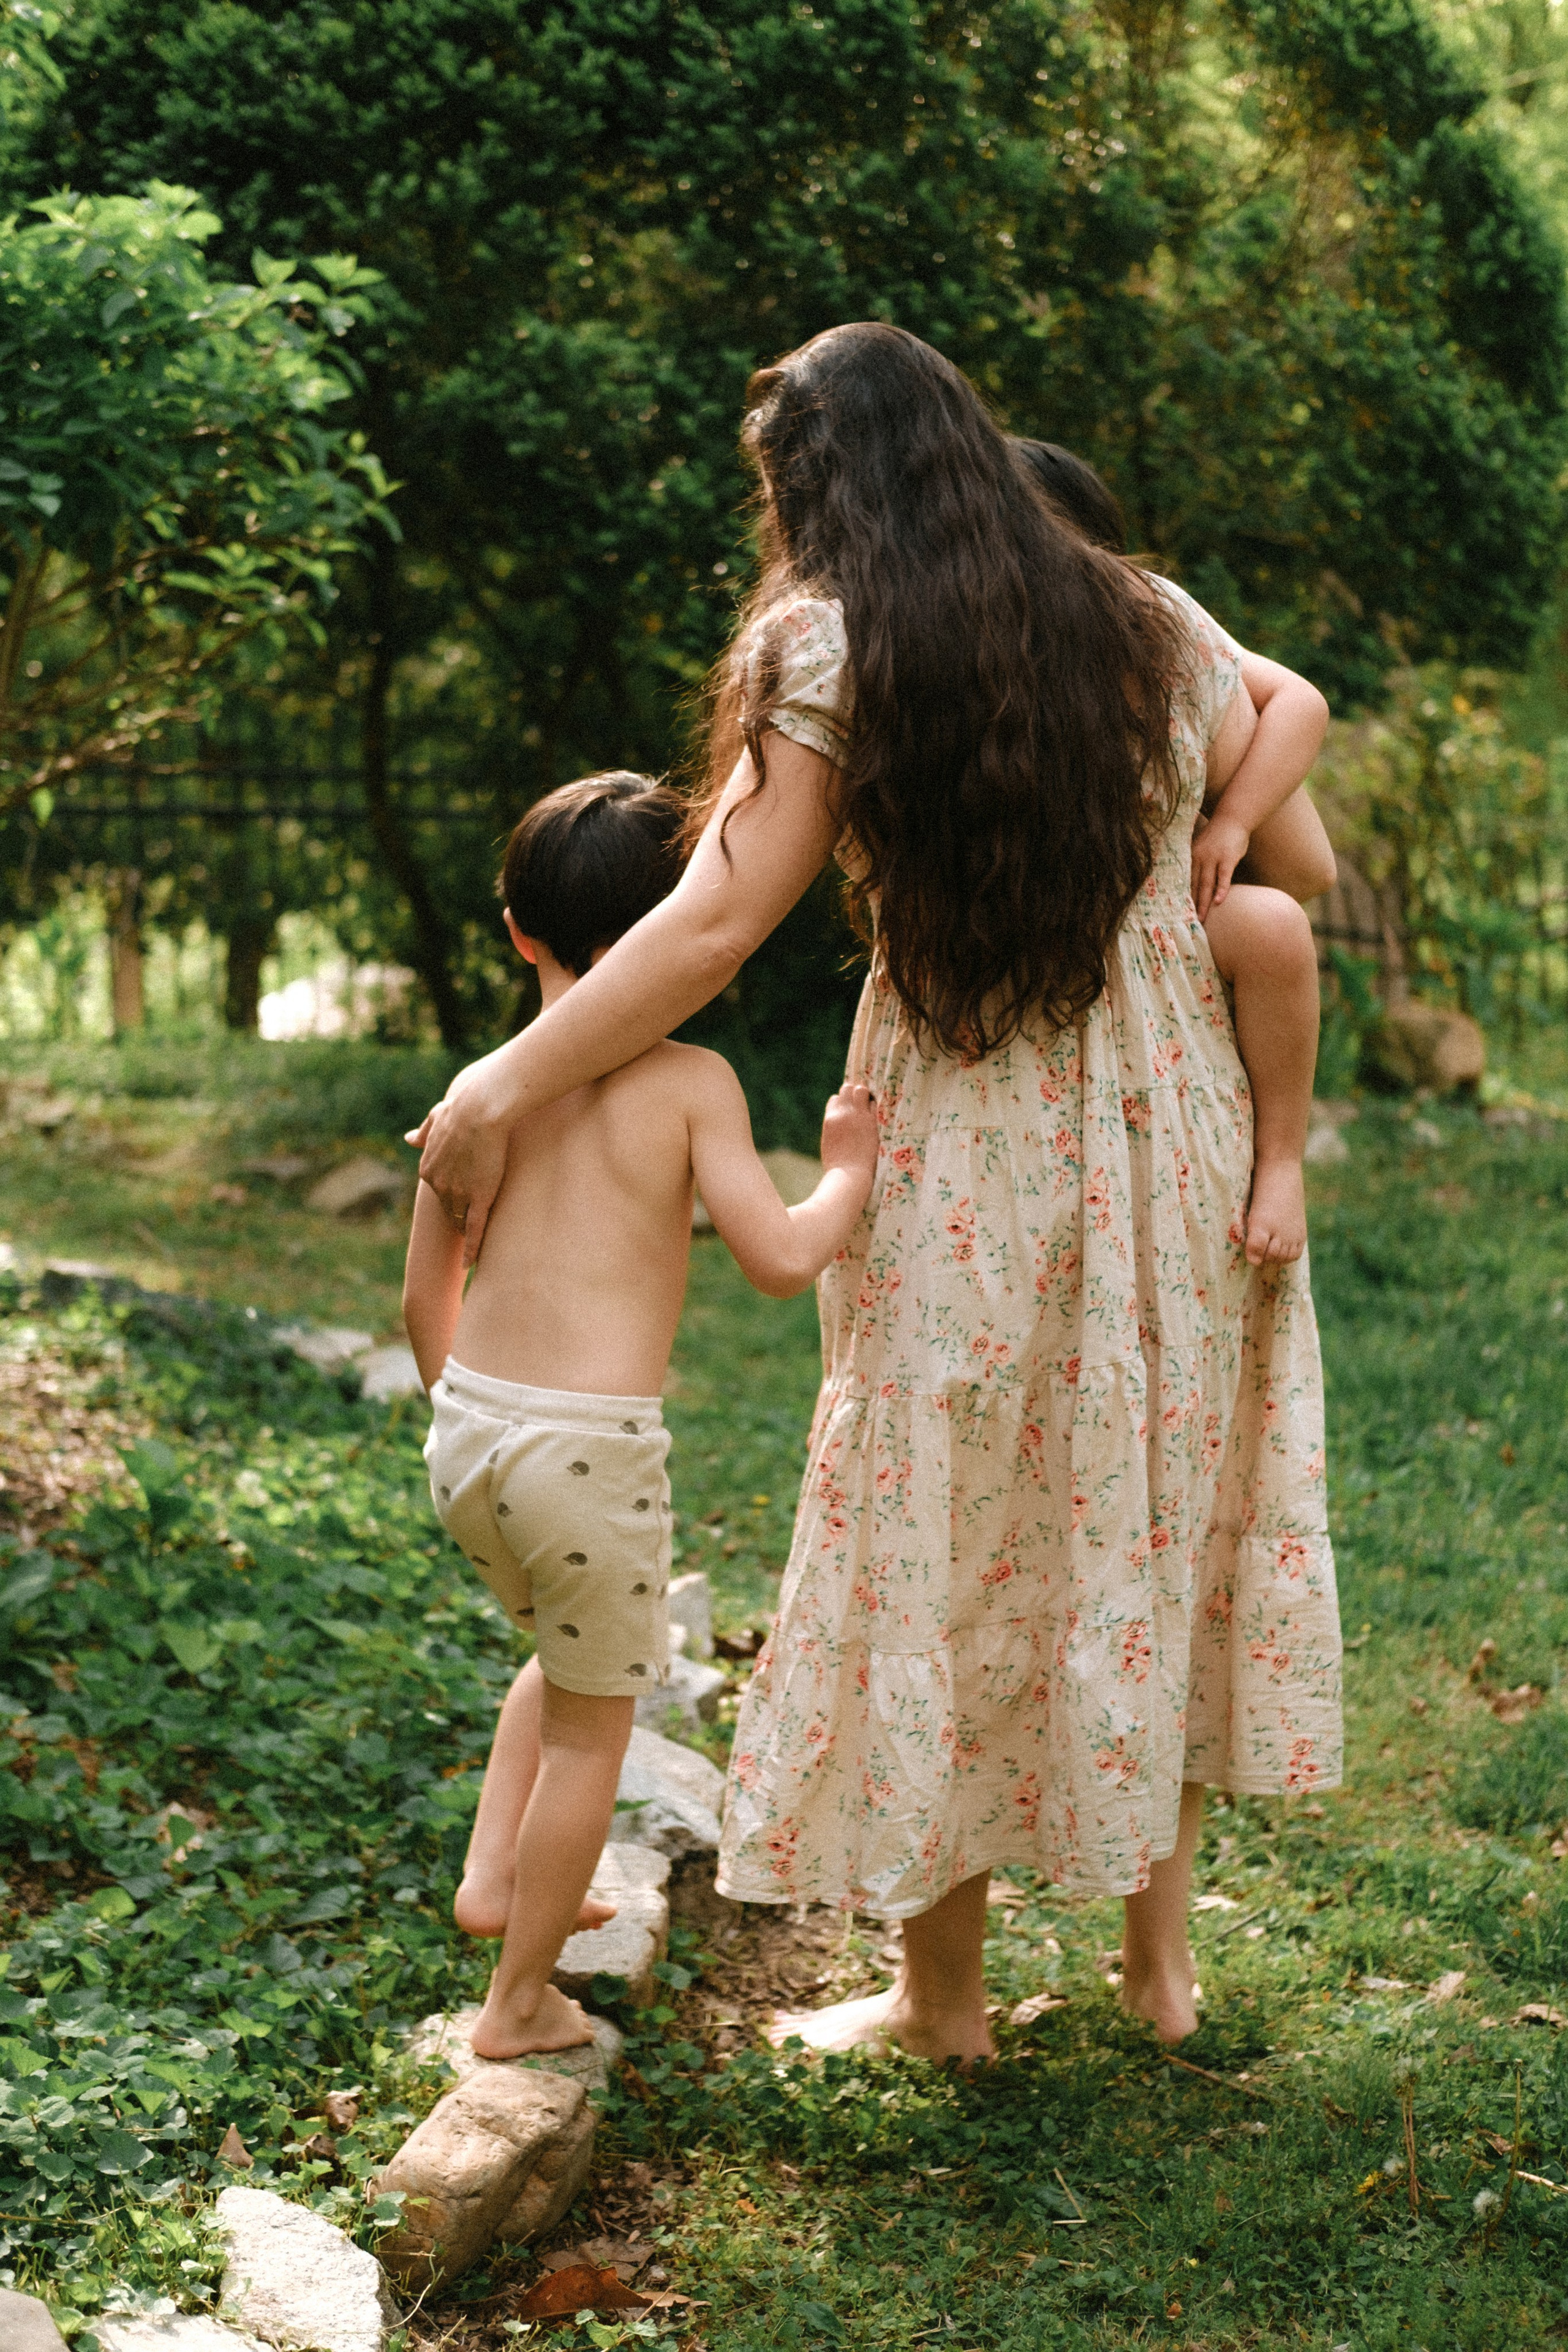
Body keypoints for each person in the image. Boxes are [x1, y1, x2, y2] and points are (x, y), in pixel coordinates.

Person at [409, 325, 1343, 2065]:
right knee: (1143, 1496)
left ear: (814, 490)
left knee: (952, 1516)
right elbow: (1285, 821)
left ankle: (944, 2002)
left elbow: (708, 920)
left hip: (966, 1125)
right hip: (1169, 1116)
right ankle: (1155, 1964)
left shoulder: (835, 638)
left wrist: (499, 1080)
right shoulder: (1135, 612)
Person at [401, 769, 880, 2058]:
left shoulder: (479, 1091)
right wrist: (845, 1177)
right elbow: (780, 1259)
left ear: (518, 930)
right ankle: (515, 2005)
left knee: (559, 1670)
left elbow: (420, 1299)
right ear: (683, 933)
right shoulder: (690, 1085)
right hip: (586, 1459)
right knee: (593, 1731)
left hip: (471, 1441)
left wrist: (469, 1421)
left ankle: (494, 1880)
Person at [1016, 439, 1332, 1267]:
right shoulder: (989, 654)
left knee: (1272, 923)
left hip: (1178, 890)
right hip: (1084, 932)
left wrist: (1232, 820)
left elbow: (1298, 700)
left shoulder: (1149, 619)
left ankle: (1284, 1160)